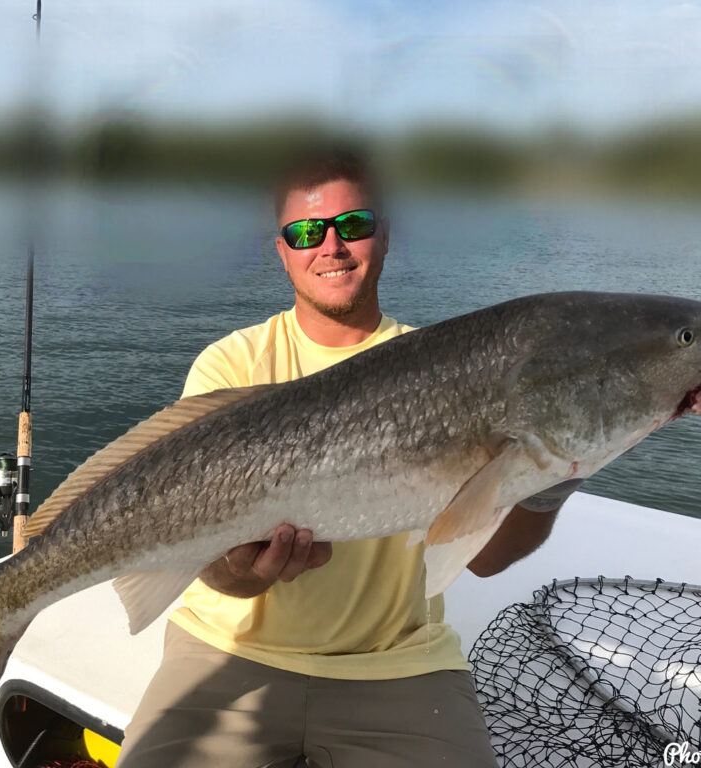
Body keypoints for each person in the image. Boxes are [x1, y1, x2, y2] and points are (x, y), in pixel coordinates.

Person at [115, 147, 579, 768]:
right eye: (306, 231)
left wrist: (554, 472)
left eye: (353, 225)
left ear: (384, 234)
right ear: (282, 249)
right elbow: (203, 561)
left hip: (399, 665)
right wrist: (245, 574)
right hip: (226, 652)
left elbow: (487, 559)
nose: (330, 246)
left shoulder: (448, 371)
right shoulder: (230, 367)